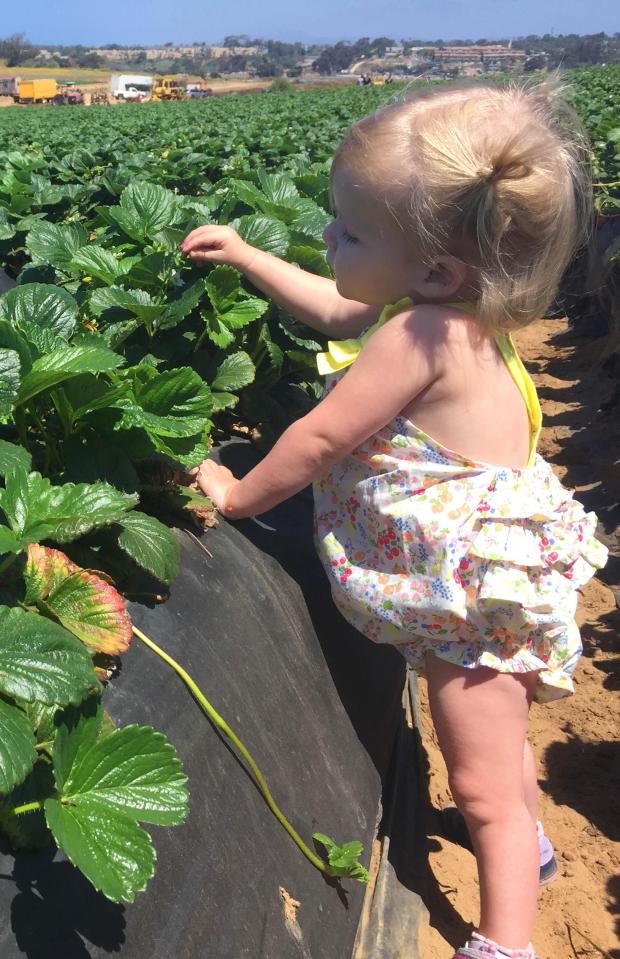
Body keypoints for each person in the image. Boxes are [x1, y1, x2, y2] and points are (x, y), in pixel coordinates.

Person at [181, 79, 607, 959]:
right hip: (483, 580)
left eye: (350, 230)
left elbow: (317, 437)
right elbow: (336, 305)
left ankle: (505, 939)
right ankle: (520, 850)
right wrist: (249, 256)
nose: (331, 238)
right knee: (501, 749)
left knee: (484, 780)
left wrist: (234, 493)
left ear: (435, 269)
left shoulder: (416, 340)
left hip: (470, 601)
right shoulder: (440, 311)